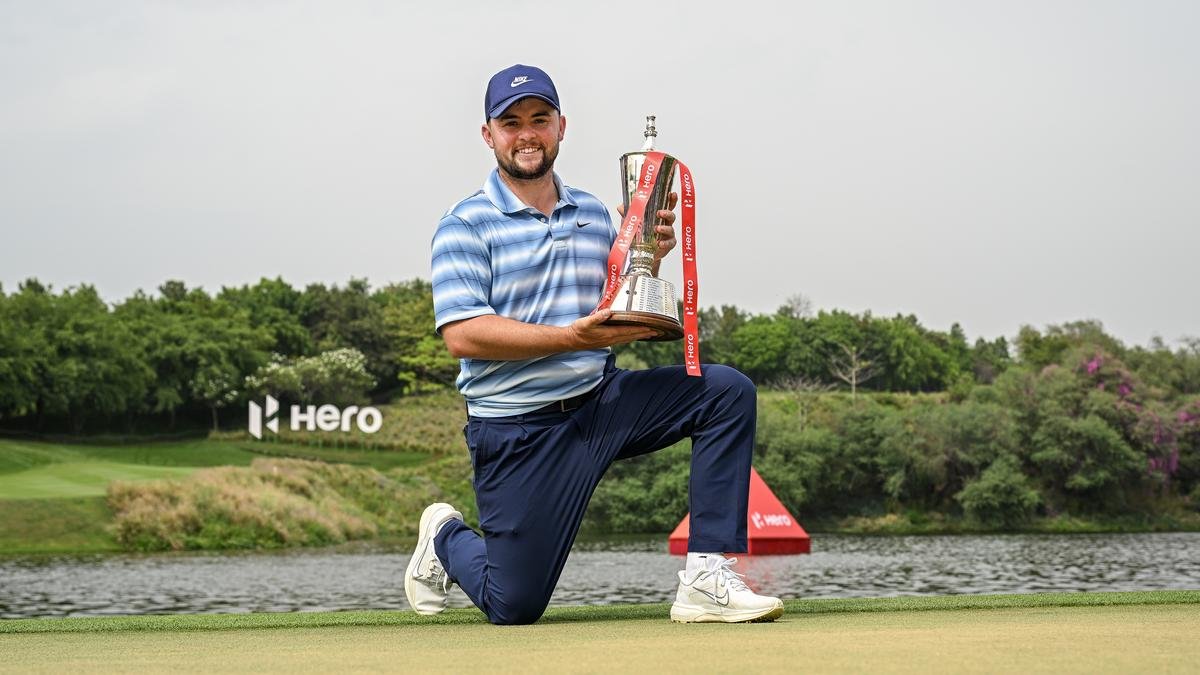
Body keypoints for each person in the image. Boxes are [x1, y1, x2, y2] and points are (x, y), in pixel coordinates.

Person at [406, 64, 783, 625]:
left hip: (602, 403)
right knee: (514, 605)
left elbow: (619, 297)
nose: (527, 134)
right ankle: (444, 537)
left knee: (725, 391)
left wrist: (649, 255)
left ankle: (706, 576)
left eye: (540, 119)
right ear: (489, 135)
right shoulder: (464, 225)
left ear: (561, 126)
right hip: (518, 430)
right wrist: (572, 337)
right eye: (511, 123)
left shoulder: (595, 214)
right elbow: (463, 335)